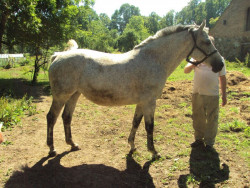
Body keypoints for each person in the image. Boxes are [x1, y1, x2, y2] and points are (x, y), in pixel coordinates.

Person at [184, 58, 227, 151]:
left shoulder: (218, 59)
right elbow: (186, 70)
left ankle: (209, 143)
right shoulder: (195, 58)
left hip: (212, 95)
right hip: (197, 94)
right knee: (197, 117)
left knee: (212, 119)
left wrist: (224, 95)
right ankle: (199, 139)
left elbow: (222, 77)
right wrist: (193, 64)